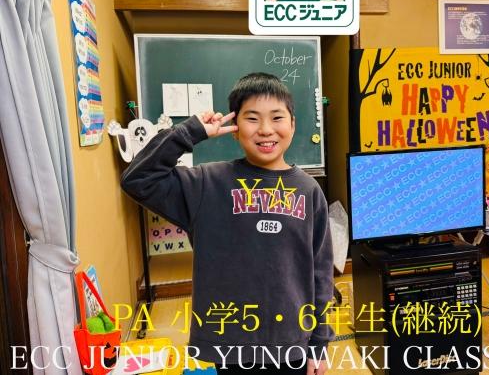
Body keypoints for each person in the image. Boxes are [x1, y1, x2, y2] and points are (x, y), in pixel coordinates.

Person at [121, 73, 334, 375]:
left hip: (292, 342)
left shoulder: (309, 191)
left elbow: (321, 273)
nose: (265, 129)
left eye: (277, 117)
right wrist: (190, 132)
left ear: (293, 124)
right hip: (231, 342)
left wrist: (319, 343)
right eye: (252, 118)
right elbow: (138, 179)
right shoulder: (207, 183)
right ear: (234, 129)